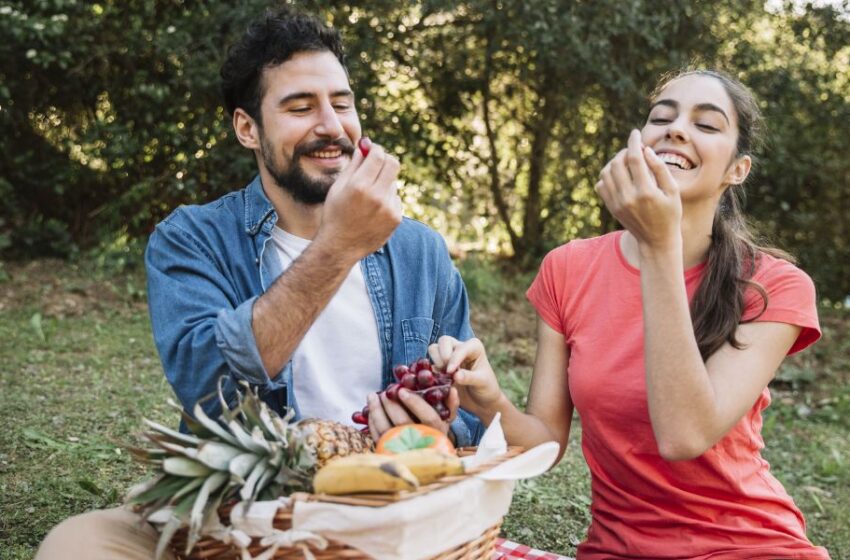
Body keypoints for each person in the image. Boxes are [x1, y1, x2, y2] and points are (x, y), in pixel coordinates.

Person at [35, 9, 481, 559]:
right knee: (75, 544)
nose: (332, 125)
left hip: (385, 512)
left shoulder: (421, 251)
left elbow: (473, 418)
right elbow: (208, 386)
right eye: (300, 107)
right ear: (248, 128)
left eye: (342, 104)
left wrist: (439, 426)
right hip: (238, 516)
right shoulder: (191, 239)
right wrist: (338, 245)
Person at [430, 70, 831, 559]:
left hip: (749, 547)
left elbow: (684, 435)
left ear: (737, 169)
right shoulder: (568, 267)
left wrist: (659, 244)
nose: (676, 129)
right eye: (661, 117)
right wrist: (489, 400)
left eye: (706, 125)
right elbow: (546, 445)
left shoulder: (774, 286)